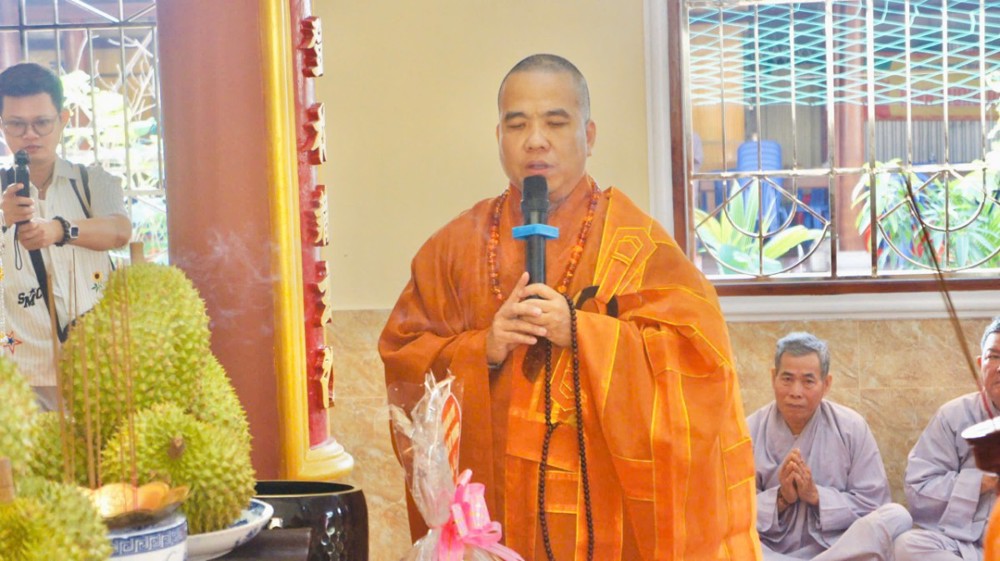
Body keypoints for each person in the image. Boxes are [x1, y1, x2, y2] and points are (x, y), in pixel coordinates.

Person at [379, 54, 760, 560]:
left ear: (589, 134)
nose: (536, 140)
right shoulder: (453, 249)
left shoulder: (637, 246)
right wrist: (482, 349)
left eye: (556, 122)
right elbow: (404, 357)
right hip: (493, 515)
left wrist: (583, 333)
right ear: (499, 136)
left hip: (604, 520)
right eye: (518, 124)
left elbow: (701, 365)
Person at [0, 62, 131, 409]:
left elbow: (119, 230)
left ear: (63, 119)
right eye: (16, 124)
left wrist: (58, 230)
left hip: (98, 368)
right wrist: (4, 219)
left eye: (42, 123)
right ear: (2, 125)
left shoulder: (94, 181)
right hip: (19, 379)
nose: (30, 135)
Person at [747, 332, 911, 560]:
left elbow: (872, 503)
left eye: (808, 381)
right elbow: (732, 510)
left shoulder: (851, 427)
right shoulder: (748, 431)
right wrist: (780, 499)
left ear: (826, 384)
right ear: (773, 377)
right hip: (770, 550)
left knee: (898, 515)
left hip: (837, 547)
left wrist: (816, 496)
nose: (795, 392)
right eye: (787, 379)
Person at [894, 318, 1000, 561]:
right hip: (964, 545)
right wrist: (980, 482)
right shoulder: (954, 415)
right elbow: (918, 489)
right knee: (906, 545)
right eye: (994, 357)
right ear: (980, 364)